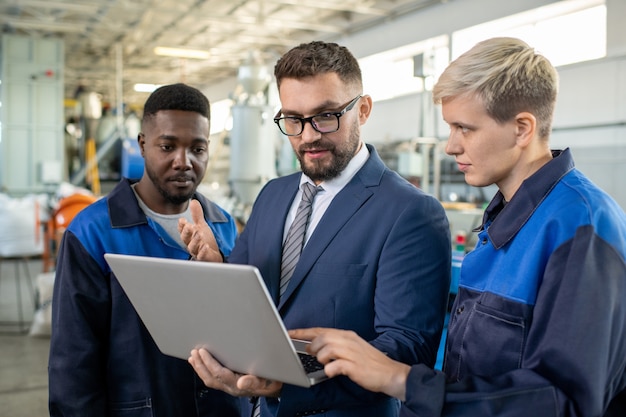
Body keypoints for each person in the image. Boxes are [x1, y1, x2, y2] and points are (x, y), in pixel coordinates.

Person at [290, 37, 626, 417]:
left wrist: (400, 379)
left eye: (464, 128)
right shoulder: (506, 218)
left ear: (522, 129)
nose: (450, 146)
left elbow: (566, 401)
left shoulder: (582, 228)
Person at [179, 41, 452, 417]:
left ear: (364, 109)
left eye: (326, 116)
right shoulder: (273, 195)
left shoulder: (410, 213)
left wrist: (291, 379)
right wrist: (216, 267)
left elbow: (405, 348)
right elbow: (250, 301)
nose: (307, 136)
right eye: (293, 119)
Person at [49, 83, 241, 416]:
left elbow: (245, 328)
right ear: (142, 144)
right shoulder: (93, 232)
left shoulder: (223, 226)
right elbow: (73, 363)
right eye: (167, 146)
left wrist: (222, 264)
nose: (183, 162)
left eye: (197, 149)